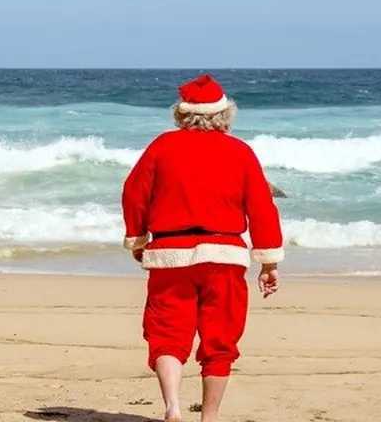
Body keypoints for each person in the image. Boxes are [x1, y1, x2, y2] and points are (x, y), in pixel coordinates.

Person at [122, 74, 284, 422]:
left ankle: (173, 407)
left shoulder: (162, 147)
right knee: (220, 341)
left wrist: (138, 240)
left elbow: (134, 193)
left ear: (181, 115)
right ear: (224, 115)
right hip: (223, 256)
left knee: (167, 333)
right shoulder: (240, 152)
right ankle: (208, 417)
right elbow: (262, 207)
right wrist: (268, 262)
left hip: (170, 254)